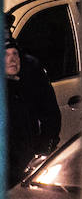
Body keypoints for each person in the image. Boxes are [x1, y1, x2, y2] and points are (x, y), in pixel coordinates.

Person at [6, 34, 62, 185]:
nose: (12, 59)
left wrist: (44, 151)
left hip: (26, 163)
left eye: (14, 54)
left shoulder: (30, 71)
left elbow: (50, 115)